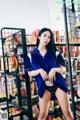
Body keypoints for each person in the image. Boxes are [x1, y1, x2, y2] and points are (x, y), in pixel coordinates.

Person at [25, 28, 73, 120]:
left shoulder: (55, 52)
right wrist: (39, 71)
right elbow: (29, 73)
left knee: (67, 112)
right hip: (44, 87)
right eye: (44, 36)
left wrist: (55, 69)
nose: (47, 39)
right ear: (39, 36)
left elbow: (64, 68)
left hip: (59, 84)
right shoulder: (31, 55)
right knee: (42, 114)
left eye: (49, 37)